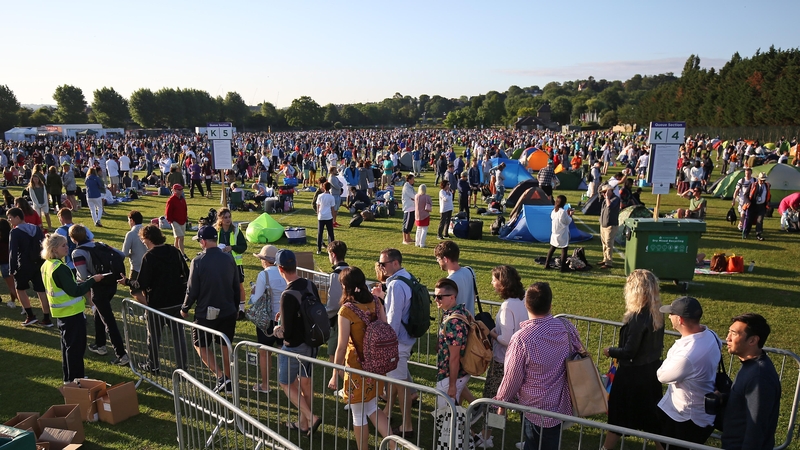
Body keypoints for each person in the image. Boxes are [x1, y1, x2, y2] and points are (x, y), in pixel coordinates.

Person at [494, 282, 585, 450]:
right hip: (560, 404)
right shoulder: (566, 327)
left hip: (534, 408)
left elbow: (512, 377)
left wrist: (502, 402)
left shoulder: (522, 339)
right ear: (550, 305)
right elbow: (581, 353)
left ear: (526, 305)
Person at [327, 266, 392, 450]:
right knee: (372, 408)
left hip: (356, 366)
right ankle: (394, 445)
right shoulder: (376, 302)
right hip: (377, 365)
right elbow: (385, 327)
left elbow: (341, 347)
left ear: (345, 286)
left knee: (358, 413)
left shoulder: (346, 311)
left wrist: (335, 374)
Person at [601, 269, 665, 450]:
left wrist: (610, 351)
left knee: (618, 417)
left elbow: (630, 351)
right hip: (651, 373)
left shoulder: (638, 316)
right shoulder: (657, 313)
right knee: (652, 418)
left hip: (631, 376)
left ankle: (605, 449)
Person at [119, 224, 189, 374]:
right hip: (177, 302)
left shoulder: (149, 257)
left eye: (143, 239)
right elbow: (186, 274)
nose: (143, 242)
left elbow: (141, 283)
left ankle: (153, 366)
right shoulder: (174, 251)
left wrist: (127, 282)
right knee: (179, 337)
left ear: (149, 239)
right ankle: (183, 368)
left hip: (157, 305)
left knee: (154, 337)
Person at [656, 296, 721, 449]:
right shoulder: (710, 335)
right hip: (699, 412)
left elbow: (662, 375)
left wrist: (671, 356)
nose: (669, 317)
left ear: (680, 319)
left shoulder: (687, 355)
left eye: (671, 314)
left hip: (687, 418)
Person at [181, 226, 239, 393]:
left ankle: (221, 377)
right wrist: (236, 307)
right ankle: (228, 381)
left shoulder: (198, 261)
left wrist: (185, 308)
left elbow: (192, 290)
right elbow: (236, 285)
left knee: (199, 344)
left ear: (204, 241)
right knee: (225, 345)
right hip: (228, 310)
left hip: (205, 312)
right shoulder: (229, 258)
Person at [270, 249, 323, 436]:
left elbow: (288, 332)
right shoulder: (309, 284)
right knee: (306, 385)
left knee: (285, 383)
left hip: (294, 346)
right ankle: (303, 424)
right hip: (312, 343)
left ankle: (310, 417)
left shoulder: (287, 294)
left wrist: (278, 329)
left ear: (280, 269)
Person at [40, 233, 105, 382]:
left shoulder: (47, 265)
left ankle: (69, 378)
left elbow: (62, 286)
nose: (67, 247)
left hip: (61, 313)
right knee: (75, 348)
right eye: (63, 245)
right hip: (72, 313)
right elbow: (74, 291)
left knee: (67, 347)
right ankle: (76, 379)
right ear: (54, 249)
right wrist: (92, 281)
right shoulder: (60, 268)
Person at [476, 265, 527, 448]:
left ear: (503, 283)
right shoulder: (523, 301)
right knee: (520, 403)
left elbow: (506, 339)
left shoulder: (507, 306)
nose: (492, 283)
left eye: (494, 279)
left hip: (502, 361)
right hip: (519, 360)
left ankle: (486, 436)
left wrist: (489, 332)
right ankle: (530, 438)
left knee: (492, 400)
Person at [372, 248, 416, 437]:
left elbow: (393, 319)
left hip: (398, 342)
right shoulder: (407, 277)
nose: (381, 267)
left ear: (395, 263)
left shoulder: (396, 285)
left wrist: (387, 342)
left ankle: (407, 426)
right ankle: (390, 412)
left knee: (401, 384)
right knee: (398, 381)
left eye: (383, 263)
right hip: (407, 337)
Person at [721, 313, 781, 450]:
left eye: (734, 334)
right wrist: (724, 398)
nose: (727, 338)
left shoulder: (759, 377)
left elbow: (756, 427)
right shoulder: (750, 366)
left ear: (753, 340)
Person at [72, 224, 129, 366]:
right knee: (99, 313)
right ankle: (100, 344)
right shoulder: (101, 244)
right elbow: (121, 255)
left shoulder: (78, 252)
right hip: (111, 284)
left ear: (73, 239)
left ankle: (121, 354)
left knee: (108, 320)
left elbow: (83, 276)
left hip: (98, 287)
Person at [249, 245, 287, 393]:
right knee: (284, 352)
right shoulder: (284, 272)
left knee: (264, 352)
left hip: (268, 319)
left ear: (264, 261)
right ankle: (288, 384)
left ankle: (265, 385)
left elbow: (256, 299)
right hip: (284, 318)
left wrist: (253, 292)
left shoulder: (263, 275)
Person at [7, 207, 51, 326]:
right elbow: (44, 245)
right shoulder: (36, 228)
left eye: (10, 218)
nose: (9, 220)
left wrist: (12, 268)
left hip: (24, 264)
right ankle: (46, 318)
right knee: (41, 291)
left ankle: (30, 316)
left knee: (20, 289)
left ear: (17, 217)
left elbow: (13, 252)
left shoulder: (15, 232)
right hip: (39, 263)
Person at [433, 278, 471, 407]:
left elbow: (454, 357)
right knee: (453, 414)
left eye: (439, 297)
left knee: (445, 416)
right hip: (456, 374)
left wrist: (452, 386)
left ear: (452, 297)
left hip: (449, 376)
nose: (436, 300)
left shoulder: (453, 322)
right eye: (434, 296)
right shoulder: (460, 312)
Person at [215, 207, 248, 317]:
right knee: (223, 286)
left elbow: (243, 247)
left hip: (235, 264)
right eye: (225, 217)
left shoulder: (236, 231)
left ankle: (241, 310)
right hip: (220, 264)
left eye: (229, 217)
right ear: (220, 219)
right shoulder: (216, 231)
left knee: (239, 286)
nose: (228, 219)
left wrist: (232, 247)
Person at [325, 240, 349, 369]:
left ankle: (345, 380)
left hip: (339, 319)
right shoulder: (352, 271)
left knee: (334, 356)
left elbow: (334, 304)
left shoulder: (335, 275)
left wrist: (324, 314)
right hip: (353, 316)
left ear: (333, 255)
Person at [434, 240, 475, 315]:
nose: (437, 261)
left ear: (445, 259)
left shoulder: (449, 282)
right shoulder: (470, 271)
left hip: (455, 320)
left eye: (438, 259)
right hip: (470, 319)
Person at [55, 208, 94, 272]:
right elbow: (92, 241)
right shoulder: (82, 228)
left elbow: (55, 245)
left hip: (71, 264)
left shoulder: (60, 231)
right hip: (86, 262)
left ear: (62, 218)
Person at [543, 195, 573, 272]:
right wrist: (570, 215)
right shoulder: (563, 212)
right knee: (564, 250)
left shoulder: (554, 211)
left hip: (555, 233)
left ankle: (546, 264)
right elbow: (567, 221)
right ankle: (562, 268)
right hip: (562, 233)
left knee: (552, 248)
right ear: (564, 203)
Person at [598, 184, 621, 269]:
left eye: (605, 192)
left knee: (609, 243)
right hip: (603, 224)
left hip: (611, 225)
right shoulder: (605, 200)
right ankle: (605, 259)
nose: (604, 194)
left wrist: (607, 197)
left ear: (610, 191)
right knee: (604, 243)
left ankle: (609, 262)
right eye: (603, 192)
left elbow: (610, 206)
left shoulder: (615, 199)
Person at [0, 219, 21, 309]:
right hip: (13, 262)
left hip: (5, 265)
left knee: (12, 288)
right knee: (14, 285)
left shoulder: (1, 240)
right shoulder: (11, 236)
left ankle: (24, 306)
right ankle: (13, 301)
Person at [744, 172, 771, 241]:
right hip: (752, 206)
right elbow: (746, 195)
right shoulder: (753, 185)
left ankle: (758, 235)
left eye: (764, 180)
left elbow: (769, 195)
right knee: (749, 220)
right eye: (761, 180)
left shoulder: (767, 186)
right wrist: (748, 202)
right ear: (758, 179)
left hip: (762, 206)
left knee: (760, 220)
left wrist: (768, 203)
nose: (762, 182)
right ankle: (746, 233)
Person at [165, 184, 188, 257]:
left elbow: (185, 209)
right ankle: (182, 254)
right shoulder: (171, 200)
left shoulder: (182, 199)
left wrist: (185, 218)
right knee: (181, 237)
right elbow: (168, 212)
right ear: (174, 190)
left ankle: (174, 253)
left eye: (181, 189)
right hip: (175, 221)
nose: (181, 191)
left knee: (177, 238)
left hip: (182, 220)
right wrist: (171, 221)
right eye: (179, 189)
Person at [315, 182, 336, 254]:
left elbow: (318, 206)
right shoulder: (331, 197)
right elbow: (333, 209)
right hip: (328, 216)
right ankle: (333, 249)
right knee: (330, 233)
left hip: (321, 216)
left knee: (320, 233)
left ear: (323, 188)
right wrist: (333, 218)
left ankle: (319, 249)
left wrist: (318, 214)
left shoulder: (320, 196)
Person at [414, 184, 432, 248]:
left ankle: (417, 242)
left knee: (418, 229)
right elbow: (431, 203)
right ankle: (422, 243)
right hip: (425, 215)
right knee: (424, 229)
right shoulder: (427, 197)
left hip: (417, 215)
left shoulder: (416, 196)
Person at [401, 174, 416, 244]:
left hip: (413, 207)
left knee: (410, 224)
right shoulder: (406, 187)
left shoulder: (411, 187)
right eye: (412, 179)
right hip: (408, 208)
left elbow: (415, 195)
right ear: (409, 180)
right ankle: (404, 239)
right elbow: (413, 196)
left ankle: (408, 238)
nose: (414, 180)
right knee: (406, 224)